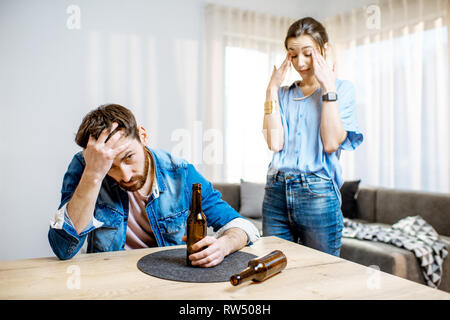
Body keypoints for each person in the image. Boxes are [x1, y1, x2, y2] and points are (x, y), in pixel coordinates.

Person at [49, 104, 259, 265]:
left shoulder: (181, 172)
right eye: (109, 166)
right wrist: (93, 174)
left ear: (143, 136)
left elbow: (240, 225)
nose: (125, 174)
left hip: (168, 278)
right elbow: (64, 248)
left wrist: (223, 246)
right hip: (111, 281)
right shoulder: (86, 168)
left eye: (129, 156)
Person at [262, 17, 363, 256]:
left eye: (308, 53)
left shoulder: (342, 89)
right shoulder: (284, 94)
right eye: (293, 54)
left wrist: (328, 88)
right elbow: (274, 142)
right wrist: (271, 91)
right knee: (273, 273)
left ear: (324, 48)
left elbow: (330, 143)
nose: (300, 62)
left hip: (317, 192)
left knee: (321, 274)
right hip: (276, 190)